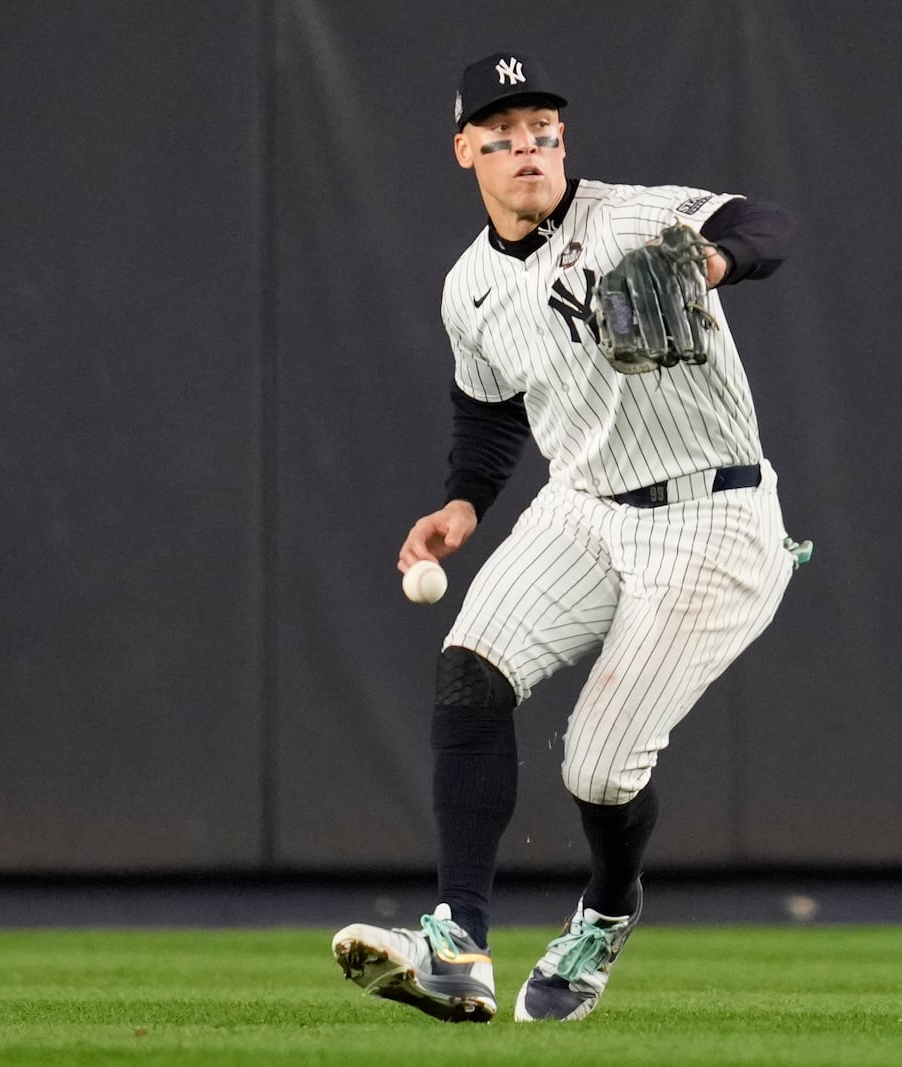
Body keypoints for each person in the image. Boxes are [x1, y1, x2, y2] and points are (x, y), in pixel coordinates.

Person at [332, 50, 803, 1024]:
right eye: (502, 137)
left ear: (561, 142)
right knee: (470, 663)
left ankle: (605, 906)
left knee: (594, 767)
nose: (527, 151)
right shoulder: (469, 287)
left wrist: (714, 261)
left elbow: (766, 225)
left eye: (542, 132)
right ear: (467, 151)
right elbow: (490, 409)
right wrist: (463, 503)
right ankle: (457, 942)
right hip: (584, 503)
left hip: (709, 512)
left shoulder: (633, 217)